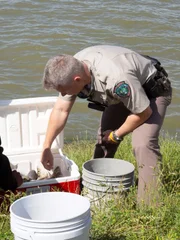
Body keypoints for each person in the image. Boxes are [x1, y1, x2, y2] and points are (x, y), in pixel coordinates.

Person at [41, 45, 172, 205]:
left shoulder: (117, 78)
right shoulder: (71, 68)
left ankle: (150, 206)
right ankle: (95, 190)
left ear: (77, 79)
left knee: (143, 144)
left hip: (151, 92)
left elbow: (143, 113)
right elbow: (61, 110)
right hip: (122, 93)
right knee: (103, 140)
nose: (63, 94)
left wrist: (116, 135)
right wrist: (47, 147)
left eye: (64, 90)